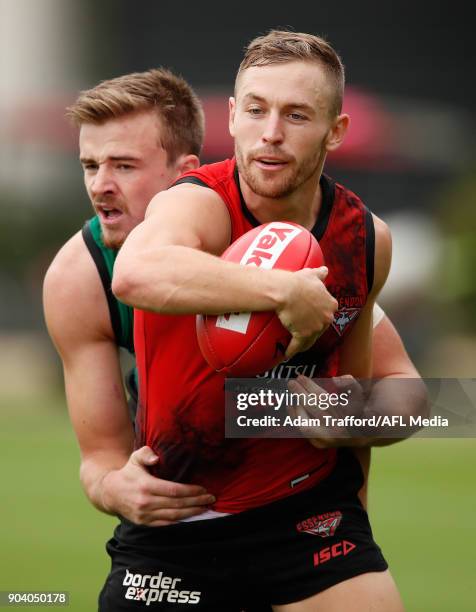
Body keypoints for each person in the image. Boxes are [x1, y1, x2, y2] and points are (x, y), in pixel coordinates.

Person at [111, 31, 423, 610]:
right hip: (176, 526)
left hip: (308, 518)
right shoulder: (196, 204)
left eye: (297, 115)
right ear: (231, 117)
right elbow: (136, 272)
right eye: (256, 110)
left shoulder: (364, 237)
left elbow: (408, 394)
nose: (271, 133)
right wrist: (283, 292)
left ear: (336, 131)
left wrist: (352, 419)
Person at [43, 68, 219, 525]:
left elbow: (414, 404)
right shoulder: (80, 276)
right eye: (89, 165)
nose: (100, 185)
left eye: (123, 165)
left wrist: (270, 409)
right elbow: (101, 459)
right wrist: (115, 487)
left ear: (186, 175)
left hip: (297, 515)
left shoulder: (264, 242)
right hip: (175, 523)